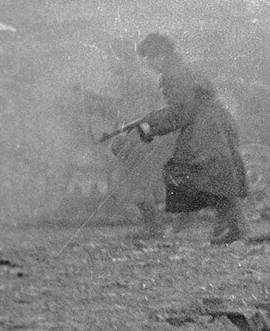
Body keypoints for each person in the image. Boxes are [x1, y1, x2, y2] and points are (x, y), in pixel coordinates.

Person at [131, 32, 251, 245]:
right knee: (213, 176)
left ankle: (188, 229)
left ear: (159, 56)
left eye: (148, 59)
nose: (148, 65)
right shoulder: (182, 68)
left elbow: (181, 112)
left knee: (190, 173)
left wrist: (150, 126)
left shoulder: (174, 75)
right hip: (211, 124)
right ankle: (231, 227)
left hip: (206, 127)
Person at [105, 39, 176, 240]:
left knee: (137, 183)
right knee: (136, 183)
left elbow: (140, 115)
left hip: (155, 138)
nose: (109, 64)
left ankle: (154, 227)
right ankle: (153, 225)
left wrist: (123, 137)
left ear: (122, 59)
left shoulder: (139, 80)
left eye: (111, 59)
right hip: (150, 136)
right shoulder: (134, 79)